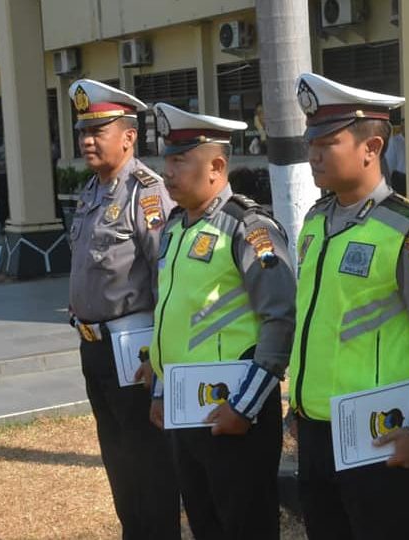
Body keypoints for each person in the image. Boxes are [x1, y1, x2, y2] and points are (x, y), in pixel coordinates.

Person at [289, 73, 409, 540]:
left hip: (379, 436)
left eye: (327, 141)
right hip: (315, 433)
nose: (313, 153)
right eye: (311, 140)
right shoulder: (315, 221)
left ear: (371, 146)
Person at [148, 102, 296, 540]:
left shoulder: (248, 228)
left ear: (216, 166)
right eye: (166, 159)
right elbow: (171, 317)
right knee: (204, 523)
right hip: (186, 412)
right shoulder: (176, 228)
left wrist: (243, 408)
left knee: (245, 526)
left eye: (179, 160)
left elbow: (280, 320)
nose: (167, 171)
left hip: (234, 415)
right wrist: (160, 389)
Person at [66, 79, 181, 539]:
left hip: (135, 351)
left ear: (129, 136)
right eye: (83, 132)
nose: (87, 141)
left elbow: (166, 280)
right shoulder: (91, 192)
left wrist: (160, 358)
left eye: (98, 131)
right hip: (93, 348)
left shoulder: (146, 194)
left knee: (148, 465)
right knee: (118, 462)